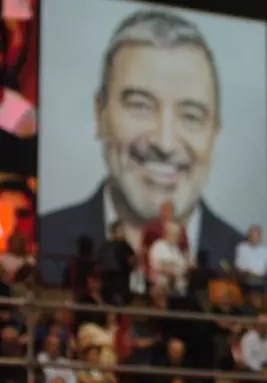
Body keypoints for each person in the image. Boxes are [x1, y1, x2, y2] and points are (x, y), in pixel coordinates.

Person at [38, 9, 245, 284]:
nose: (165, 143)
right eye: (140, 105)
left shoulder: (239, 254)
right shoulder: (45, 236)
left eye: (191, 115)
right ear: (100, 113)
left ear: (215, 130)